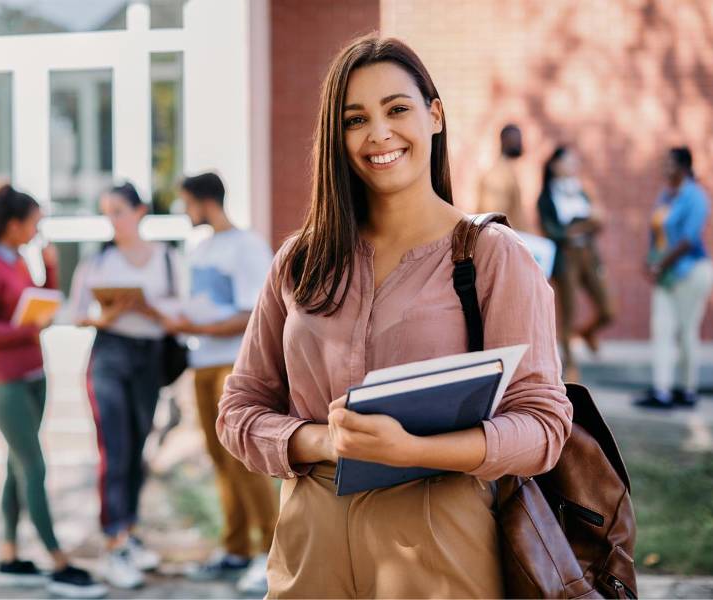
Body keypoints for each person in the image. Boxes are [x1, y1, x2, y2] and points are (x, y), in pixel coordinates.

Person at [216, 36, 572, 598]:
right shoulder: (299, 261)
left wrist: (414, 451)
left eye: (397, 109)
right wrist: (323, 442)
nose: (379, 133)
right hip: (310, 545)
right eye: (355, 119)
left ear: (435, 115)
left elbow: (544, 427)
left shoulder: (493, 256)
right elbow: (239, 410)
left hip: (440, 542)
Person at [0, 182, 106, 599]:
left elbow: (42, 303)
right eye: (33, 223)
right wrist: (27, 329)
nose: (37, 231)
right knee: (34, 467)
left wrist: (50, 269)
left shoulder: (18, 261)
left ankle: (9, 557)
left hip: (34, 375)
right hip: (4, 382)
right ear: (12, 225)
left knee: (16, 465)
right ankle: (58, 562)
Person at [163, 172, 277, 595]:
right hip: (202, 364)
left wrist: (196, 327)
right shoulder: (201, 248)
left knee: (245, 461)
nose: (185, 211)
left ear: (205, 202)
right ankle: (236, 549)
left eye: (187, 203)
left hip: (235, 365)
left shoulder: (247, 246)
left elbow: (255, 313)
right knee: (219, 459)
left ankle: (272, 554)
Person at [70, 182, 180, 589]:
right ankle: (114, 543)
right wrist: (107, 315)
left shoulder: (167, 258)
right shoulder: (99, 261)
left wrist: (149, 309)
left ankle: (129, 532)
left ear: (140, 211)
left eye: (118, 211)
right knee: (114, 450)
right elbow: (77, 313)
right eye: (107, 213)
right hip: (109, 355)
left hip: (150, 358)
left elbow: (180, 314)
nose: (112, 220)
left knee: (137, 448)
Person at [634, 147, 713, 409]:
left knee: (686, 331)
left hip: (692, 271)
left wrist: (660, 264)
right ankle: (662, 390)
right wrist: (650, 262)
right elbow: (658, 235)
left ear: (683, 167)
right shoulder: (666, 196)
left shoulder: (696, 196)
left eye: (669, 164)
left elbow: (688, 239)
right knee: (661, 328)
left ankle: (687, 389)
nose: (664, 168)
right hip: (666, 276)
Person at [537, 145, 614, 379]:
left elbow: (599, 220)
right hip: (566, 258)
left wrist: (581, 226)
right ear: (555, 165)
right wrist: (582, 226)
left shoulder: (581, 191)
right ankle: (570, 365)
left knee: (608, 309)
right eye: (568, 161)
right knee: (568, 314)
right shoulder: (546, 197)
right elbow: (552, 231)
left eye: (575, 162)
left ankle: (588, 332)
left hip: (588, 255)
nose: (573, 166)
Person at [477, 123, 528, 231]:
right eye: (516, 139)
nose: (520, 143)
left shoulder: (509, 171)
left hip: (515, 233)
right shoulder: (498, 175)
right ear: (505, 140)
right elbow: (494, 219)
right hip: (504, 234)